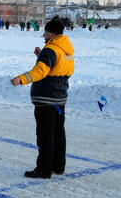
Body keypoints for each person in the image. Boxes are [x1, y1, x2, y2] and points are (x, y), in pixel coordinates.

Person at [10, 16, 74, 179]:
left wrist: (21, 79)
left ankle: (44, 169)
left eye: (45, 33)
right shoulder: (65, 49)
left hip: (46, 98)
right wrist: (41, 56)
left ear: (51, 34)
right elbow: (59, 68)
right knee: (58, 132)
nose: (44, 36)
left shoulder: (50, 50)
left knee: (45, 134)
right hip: (60, 97)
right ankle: (58, 166)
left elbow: (40, 72)